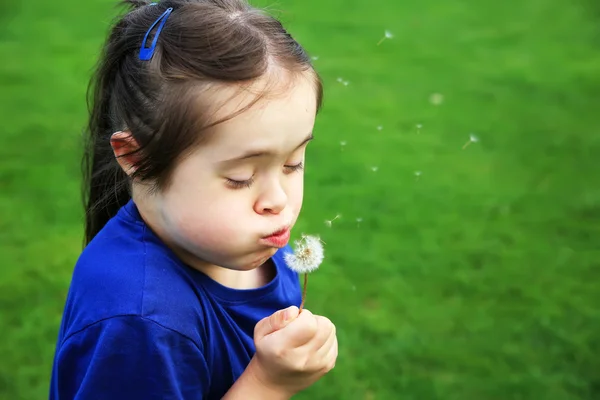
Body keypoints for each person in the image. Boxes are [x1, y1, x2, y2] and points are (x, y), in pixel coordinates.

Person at [49, 0, 338, 398]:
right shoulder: (142, 322)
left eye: (293, 163)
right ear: (137, 157)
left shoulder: (237, 243)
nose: (278, 200)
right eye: (240, 178)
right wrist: (269, 383)